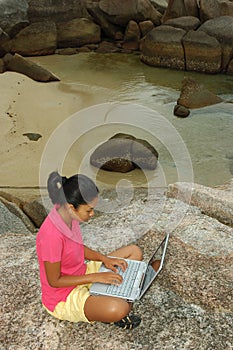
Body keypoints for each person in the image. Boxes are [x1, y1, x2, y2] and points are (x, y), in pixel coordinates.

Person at [36, 171, 143, 329]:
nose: (92, 214)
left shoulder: (68, 215)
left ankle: (106, 294)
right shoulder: (51, 236)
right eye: (89, 210)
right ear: (71, 207)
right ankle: (109, 297)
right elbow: (55, 281)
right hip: (63, 295)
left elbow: (76, 247)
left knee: (134, 251)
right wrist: (96, 277)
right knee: (119, 309)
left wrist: (104, 259)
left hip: (81, 271)